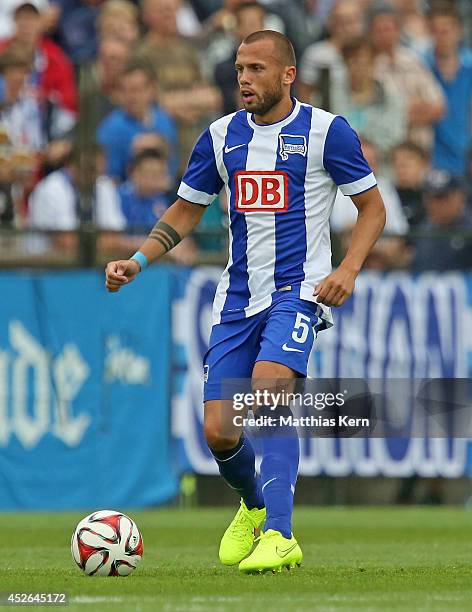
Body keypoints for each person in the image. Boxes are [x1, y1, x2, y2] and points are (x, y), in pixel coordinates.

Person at [105, 30, 385, 573]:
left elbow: (372, 208)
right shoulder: (220, 136)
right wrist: (137, 261)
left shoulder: (328, 132)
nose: (243, 79)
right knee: (218, 429)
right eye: (239, 69)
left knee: (270, 389)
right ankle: (256, 507)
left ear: (287, 76)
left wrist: (347, 269)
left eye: (256, 69)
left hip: (299, 291)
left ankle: (281, 534)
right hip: (238, 298)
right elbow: (187, 209)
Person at [368, 0, 444, 151]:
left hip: (419, 148)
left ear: (398, 30)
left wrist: (403, 113)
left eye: (389, 29)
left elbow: (439, 107)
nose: (385, 34)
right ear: (371, 33)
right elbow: (374, 114)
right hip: (385, 147)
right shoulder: (368, 67)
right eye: (379, 30)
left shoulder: (412, 60)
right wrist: (410, 109)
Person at [331, 38, 406, 174]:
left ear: (373, 63)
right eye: (352, 62)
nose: (357, 68)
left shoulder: (391, 98)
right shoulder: (330, 97)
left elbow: (396, 135)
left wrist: (369, 149)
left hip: (382, 172)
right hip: (340, 170)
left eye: (362, 62)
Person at [96, 60, 178, 183]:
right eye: (125, 90)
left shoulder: (164, 120)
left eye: (136, 89)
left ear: (151, 90)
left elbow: (172, 168)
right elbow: (108, 180)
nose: (131, 97)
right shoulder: (111, 129)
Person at [425, 3, 472, 177]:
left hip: (465, 158)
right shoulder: (420, 67)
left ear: (459, 31)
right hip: (430, 160)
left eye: (446, 31)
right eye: (435, 31)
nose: (441, 37)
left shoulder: (470, 66)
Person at [298, 0, 364, 106]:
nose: (348, 28)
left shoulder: (370, 52)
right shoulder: (316, 54)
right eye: (342, 22)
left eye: (353, 21)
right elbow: (305, 93)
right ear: (331, 23)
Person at [411, 170, 472, 272]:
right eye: (429, 197)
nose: (434, 204)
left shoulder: (469, 229)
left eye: (442, 197)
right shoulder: (422, 229)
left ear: (460, 197)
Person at [214, 1, 266, 115]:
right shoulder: (224, 69)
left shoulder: (277, 65)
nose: (257, 30)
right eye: (251, 24)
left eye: (260, 23)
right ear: (237, 29)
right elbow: (226, 105)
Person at [392, 140, 429, 226]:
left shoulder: (434, 195)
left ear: (423, 164)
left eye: (407, 163)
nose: (402, 170)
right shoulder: (387, 196)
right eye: (397, 164)